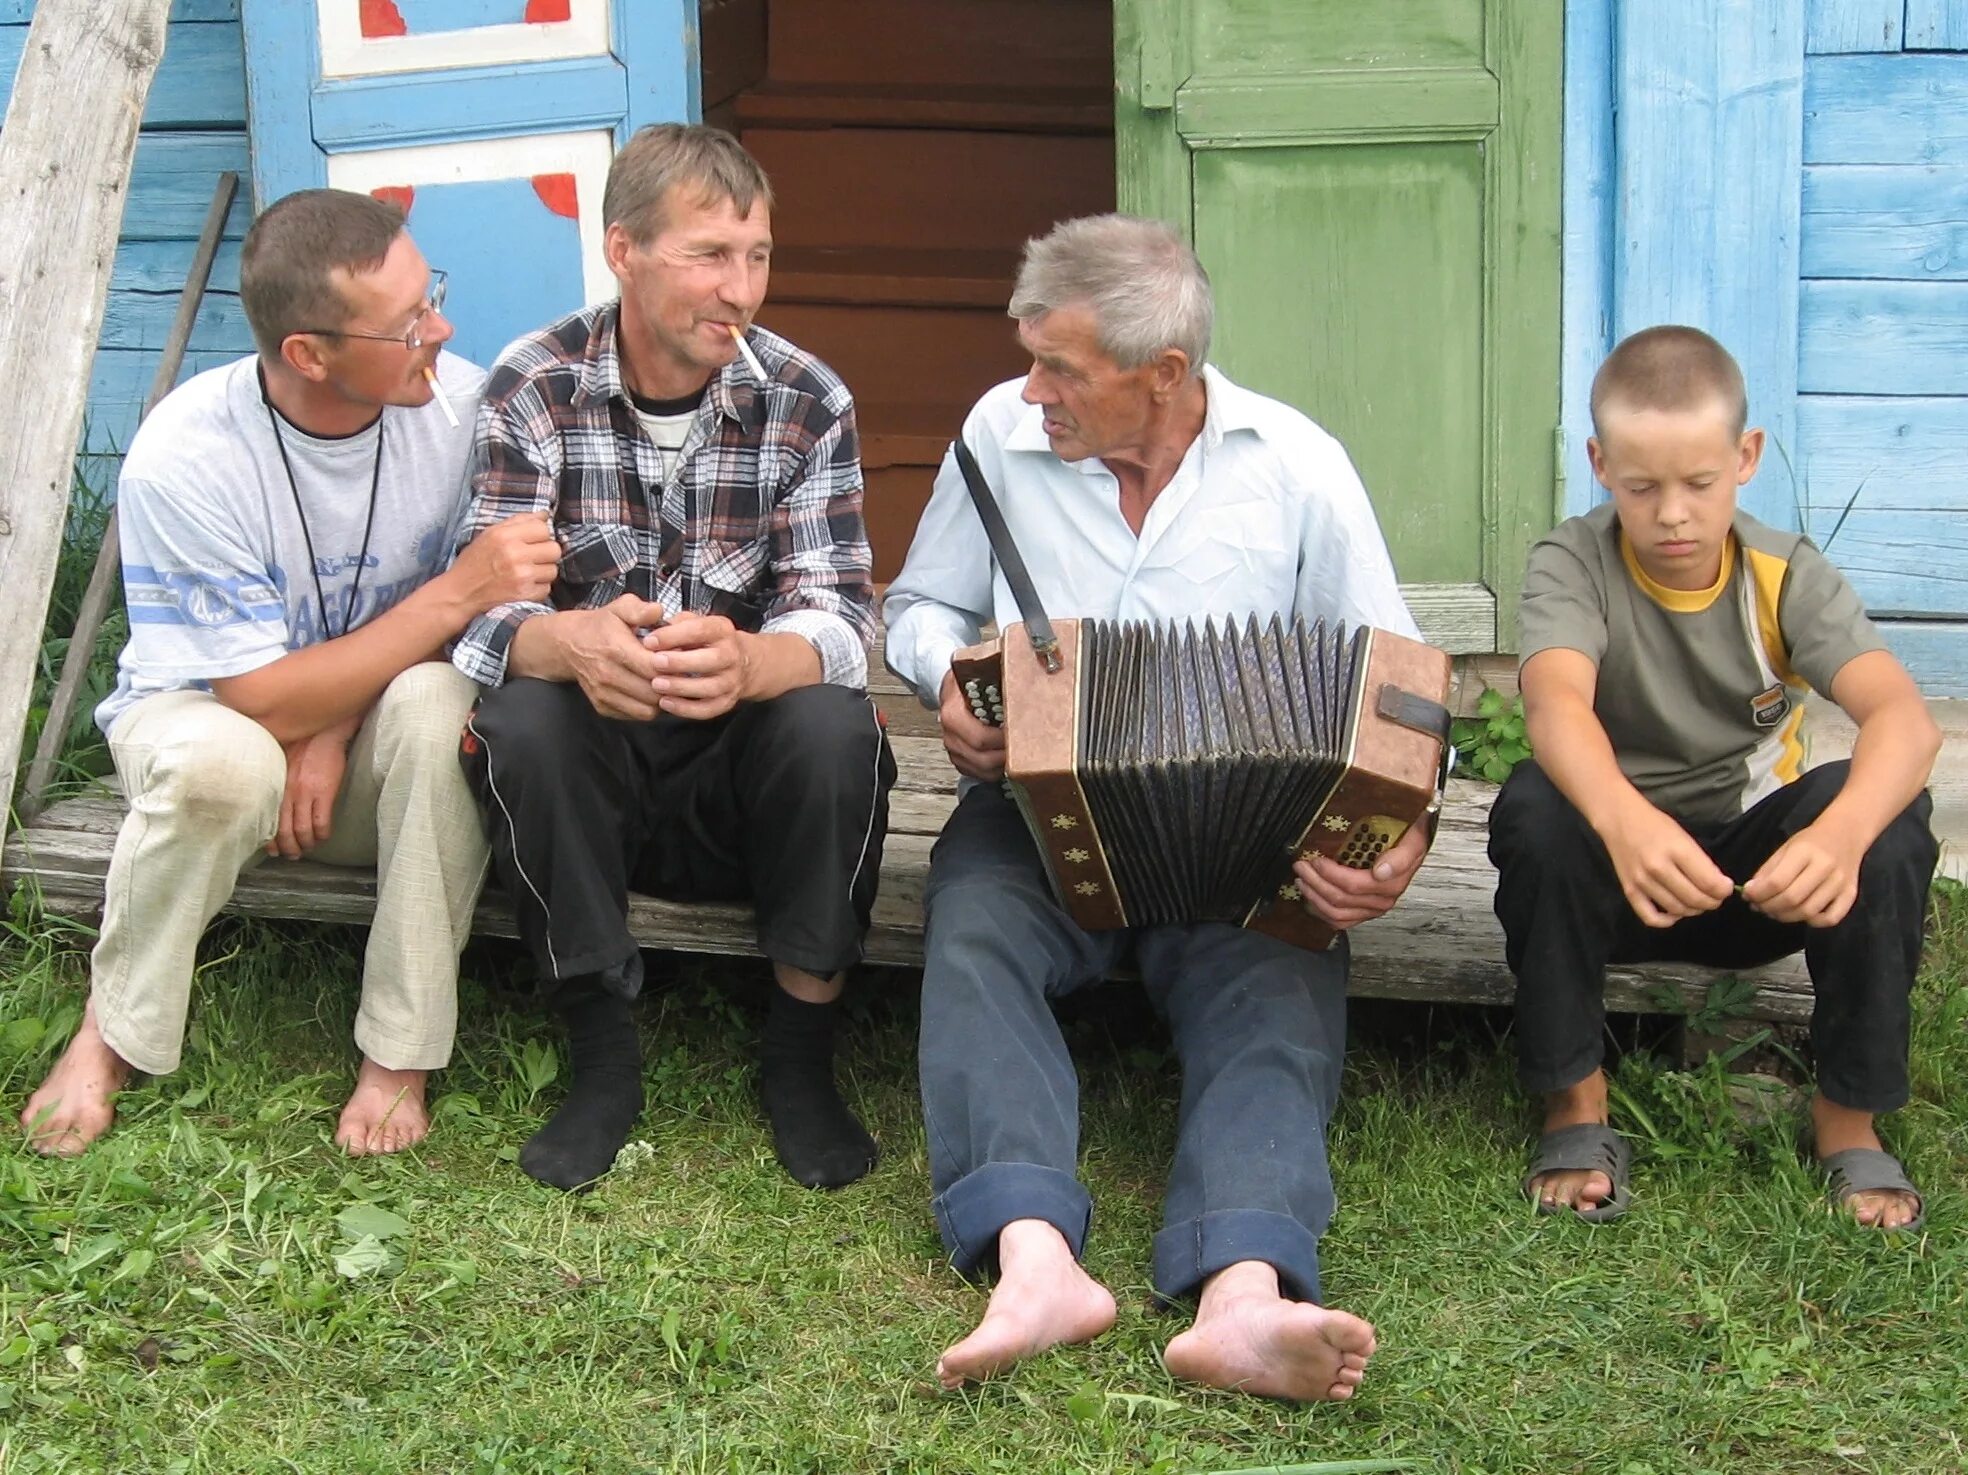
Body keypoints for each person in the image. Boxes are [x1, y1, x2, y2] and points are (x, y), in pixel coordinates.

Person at [884, 214, 1429, 1401]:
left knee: (1281, 980)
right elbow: (918, 603)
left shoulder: (1296, 467)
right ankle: (1034, 1262)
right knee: (973, 925)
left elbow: (1401, 687)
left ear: (1166, 375)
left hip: (1236, 839)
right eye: (1028, 357)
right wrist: (951, 680)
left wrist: (1395, 844)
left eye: (1062, 369)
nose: (1031, 392)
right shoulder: (996, 435)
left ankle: (1242, 1295)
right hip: (1040, 814)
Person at [19, 188, 559, 1158]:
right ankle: (114, 1030)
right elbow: (256, 698)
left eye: (428, 294)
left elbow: (478, 637)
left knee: (442, 705)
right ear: (310, 354)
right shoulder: (187, 457)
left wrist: (335, 730)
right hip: (207, 726)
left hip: (359, 750)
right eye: (406, 323)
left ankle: (400, 1050)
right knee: (227, 763)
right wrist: (451, 594)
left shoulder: (461, 410)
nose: (440, 328)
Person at [452, 124, 893, 1195]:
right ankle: (601, 1056)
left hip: (733, 788)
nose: (739, 286)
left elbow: (841, 612)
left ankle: (801, 1055)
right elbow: (479, 616)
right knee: (520, 714)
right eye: (708, 255)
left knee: (834, 722)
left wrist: (758, 660)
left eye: (758, 255)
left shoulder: (804, 396)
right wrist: (566, 639)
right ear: (624, 250)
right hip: (596, 783)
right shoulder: (534, 383)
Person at [1492, 325, 1940, 1230]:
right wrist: (1624, 820)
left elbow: (1906, 720)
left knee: (1889, 810)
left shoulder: (1784, 575)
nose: (1672, 515)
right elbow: (1554, 708)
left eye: (1699, 483)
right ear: (1599, 463)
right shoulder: (1572, 562)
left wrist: (1840, 836)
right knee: (1535, 803)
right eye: (1641, 485)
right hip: (1616, 883)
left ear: (1745, 458)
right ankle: (1576, 1101)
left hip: (1755, 891)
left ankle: (1847, 1117)